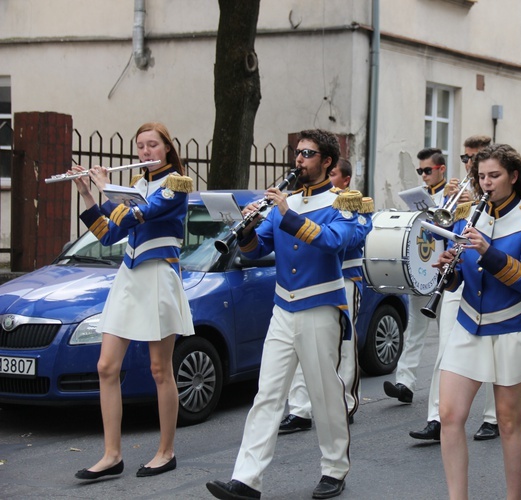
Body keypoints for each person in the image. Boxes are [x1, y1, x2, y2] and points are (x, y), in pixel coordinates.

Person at [206, 129, 359, 500]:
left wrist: (287, 214)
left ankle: (334, 468)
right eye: (297, 153)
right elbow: (259, 250)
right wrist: (245, 232)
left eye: (307, 154)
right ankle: (246, 479)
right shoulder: (280, 203)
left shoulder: (346, 202)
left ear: (326, 161)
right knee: (268, 394)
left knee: (324, 394)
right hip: (283, 308)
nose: (299, 160)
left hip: (320, 305)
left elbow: (335, 242)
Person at [72, 122, 195, 480]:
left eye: (152, 145)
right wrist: (87, 195)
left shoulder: (176, 185)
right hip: (129, 277)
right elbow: (110, 234)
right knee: (106, 367)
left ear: (167, 149)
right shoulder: (138, 186)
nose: (145, 152)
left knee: (161, 370)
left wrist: (106, 188)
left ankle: (166, 451)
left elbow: (141, 213)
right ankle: (112, 455)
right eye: (140, 146)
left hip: (158, 275)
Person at [438, 144, 521, 500]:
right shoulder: (468, 214)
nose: (486, 183)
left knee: (507, 422)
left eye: (494, 176)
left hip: (512, 327)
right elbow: (463, 278)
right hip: (469, 323)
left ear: (513, 176)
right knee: (449, 416)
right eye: (482, 177)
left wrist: (488, 251)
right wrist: (449, 271)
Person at [409, 135, 501, 442]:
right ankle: (436, 417)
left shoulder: (498, 192)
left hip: (488, 280)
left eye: (474, 157)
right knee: (445, 349)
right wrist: (446, 206)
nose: (469, 164)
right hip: (456, 276)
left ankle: (493, 416)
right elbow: (441, 232)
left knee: (492, 351)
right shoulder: (456, 191)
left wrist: (475, 204)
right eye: (465, 158)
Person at [279, 158, 373, 433]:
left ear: (345, 180)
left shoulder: (354, 204)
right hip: (312, 283)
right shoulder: (305, 203)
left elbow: (352, 239)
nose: (327, 178)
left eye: (333, 174)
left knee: (344, 345)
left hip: (344, 279)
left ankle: (346, 403)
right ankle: (300, 410)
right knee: (299, 344)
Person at [383, 148, 449, 406]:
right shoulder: (420, 196)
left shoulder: (454, 195)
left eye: (427, 170)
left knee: (447, 334)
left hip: (446, 272)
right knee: (414, 330)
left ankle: (446, 387)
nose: (423, 175)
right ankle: (405, 383)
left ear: (441, 169)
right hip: (422, 270)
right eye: (420, 171)